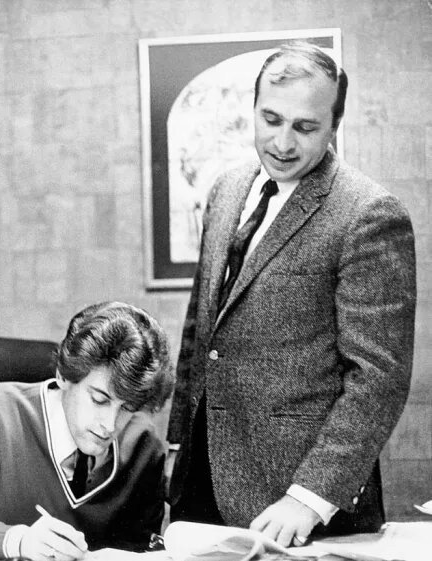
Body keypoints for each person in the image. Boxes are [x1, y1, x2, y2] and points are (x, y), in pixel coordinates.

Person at [167, 42, 416, 547]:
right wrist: (176, 446)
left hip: (298, 501)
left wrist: (309, 496)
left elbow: (378, 378)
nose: (282, 142)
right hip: (202, 481)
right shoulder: (227, 189)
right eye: (271, 119)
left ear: (334, 125)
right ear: (254, 108)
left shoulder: (369, 214)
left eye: (305, 127)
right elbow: (201, 327)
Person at [0, 301, 175, 560]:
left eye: (127, 408)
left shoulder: (143, 443)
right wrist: (17, 541)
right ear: (63, 376)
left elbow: (144, 547)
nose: (110, 424)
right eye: (99, 400)